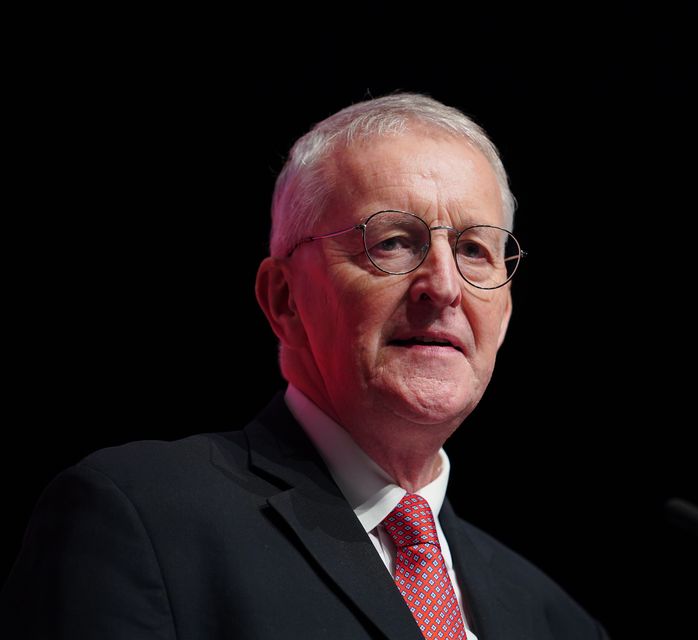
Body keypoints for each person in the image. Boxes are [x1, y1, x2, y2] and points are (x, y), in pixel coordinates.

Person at [1, 93, 609, 639]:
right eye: (393, 241)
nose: (444, 286)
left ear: (504, 312)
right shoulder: (143, 519)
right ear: (284, 299)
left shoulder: (556, 619)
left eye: (475, 249)